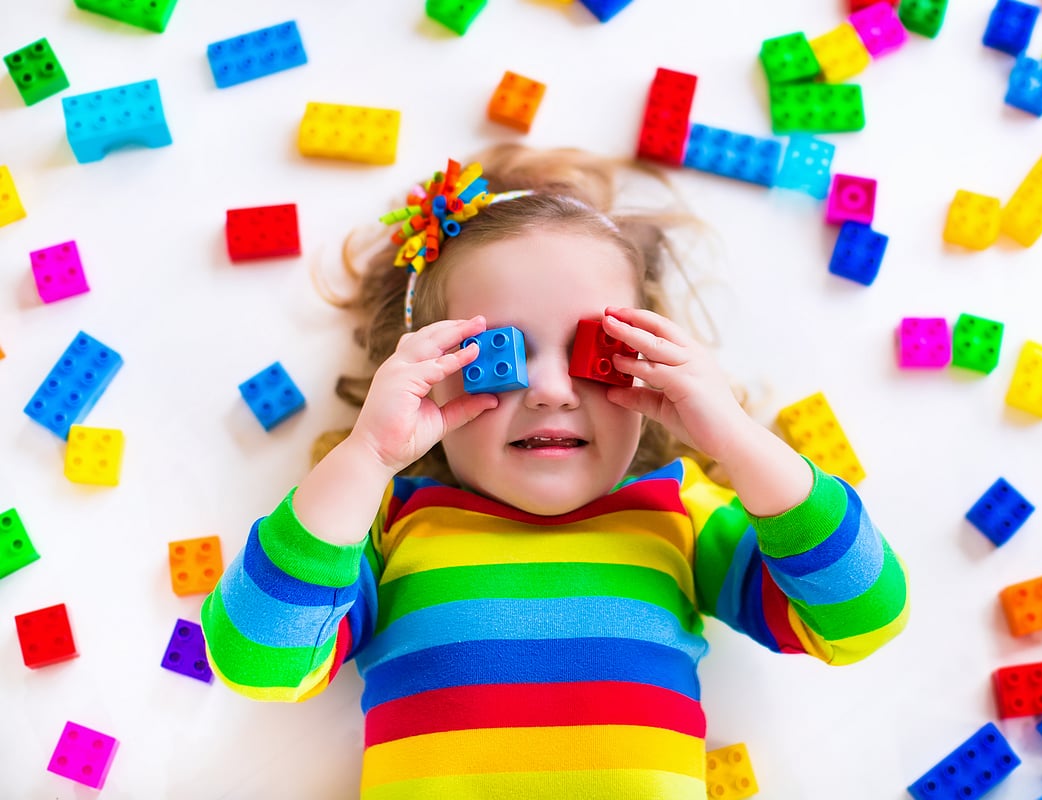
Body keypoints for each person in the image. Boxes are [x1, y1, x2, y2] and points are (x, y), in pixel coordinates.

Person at [201, 144, 909, 800]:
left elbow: (862, 615)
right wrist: (366, 458)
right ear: (426, 376)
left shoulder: (679, 516)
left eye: (594, 350)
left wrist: (734, 438)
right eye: (498, 353)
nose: (550, 389)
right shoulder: (389, 527)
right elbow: (255, 659)